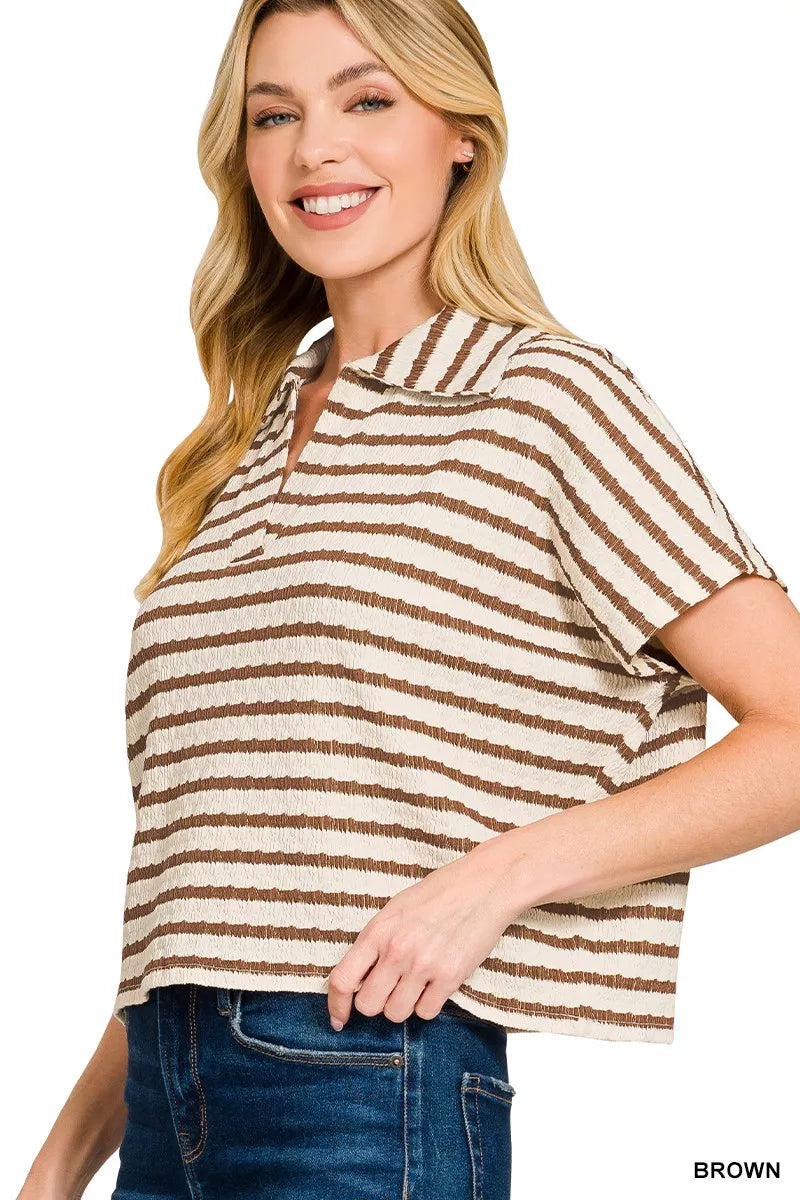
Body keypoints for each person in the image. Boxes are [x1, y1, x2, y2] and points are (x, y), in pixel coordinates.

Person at [18, 0, 800, 1197]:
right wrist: (57, 1166)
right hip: (162, 1111)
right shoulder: (237, 448)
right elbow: (212, 887)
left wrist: (492, 879)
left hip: (361, 1082)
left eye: (367, 99)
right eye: (272, 115)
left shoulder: (544, 397)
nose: (313, 149)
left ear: (462, 135)